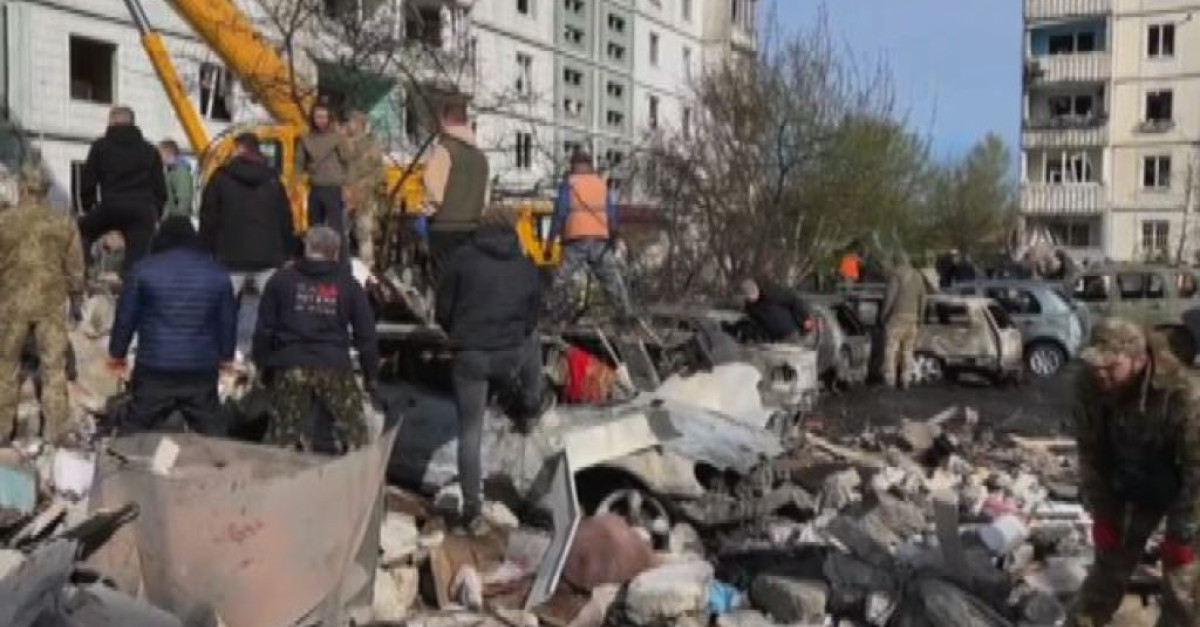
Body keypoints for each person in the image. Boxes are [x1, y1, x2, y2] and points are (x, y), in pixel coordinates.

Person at [1067, 318, 1200, 626]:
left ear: (1138, 360)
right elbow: (1090, 452)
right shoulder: (1089, 385)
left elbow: (1198, 470)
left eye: (1111, 366)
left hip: (1189, 488)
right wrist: (1103, 513)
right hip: (1134, 478)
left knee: (1182, 581)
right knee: (1109, 562)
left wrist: (1182, 535)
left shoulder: (1182, 393)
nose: (1101, 374)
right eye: (1096, 366)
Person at [436, 216, 542, 531]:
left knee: (470, 432)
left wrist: (457, 334)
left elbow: (443, 309)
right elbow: (532, 317)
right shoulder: (526, 265)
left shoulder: (461, 259)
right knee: (534, 340)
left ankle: (472, 509)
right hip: (509, 355)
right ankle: (530, 404)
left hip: (471, 356)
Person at [252, 226, 378, 455]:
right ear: (336, 253)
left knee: (280, 440)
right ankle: (356, 474)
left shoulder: (281, 281)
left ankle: (274, 475)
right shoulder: (348, 285)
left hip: (290, 364)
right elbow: (366, 335)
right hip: (334, 365)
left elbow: (264, 329)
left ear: (306, 248)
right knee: (356, 438)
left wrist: (263, 365)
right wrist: (371, 375)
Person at [108, 217, 236, 436]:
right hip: (200, 369)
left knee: (135, 427)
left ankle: (124, 455)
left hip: (154, 366)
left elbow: (125, 318)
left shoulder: (143, 270)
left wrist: (117, 354)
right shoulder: (217, 273)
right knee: (212, 430)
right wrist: (226, 357)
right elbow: (227, 321)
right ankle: (220, 458)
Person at [0, 164, 85, 444]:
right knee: (54, 368)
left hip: (11, 306)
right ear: (47, 190)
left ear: (22, 186)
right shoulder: (63, 222)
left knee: (5, 366)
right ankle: (55, 431)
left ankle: (2, 429)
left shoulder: (5, 221)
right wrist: (76, 300)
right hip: (50, 306)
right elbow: (75, 268)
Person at [199, 132, 297, 357]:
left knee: (222, 309)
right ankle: (270, 356)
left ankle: (222, 354)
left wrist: (205, 250)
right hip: (269, 255)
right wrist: (289, 252)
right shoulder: (273, 179)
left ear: (239, 149)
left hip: (229, 255)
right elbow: (285, 218)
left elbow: (209, 217)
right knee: (274, 310)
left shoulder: (221, 177)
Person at [78, 106, 167, 276]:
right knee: (137, 261)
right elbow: (160, 189)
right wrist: (155, 212)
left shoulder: (100, 147)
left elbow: (88, 182)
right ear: (132, 123)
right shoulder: (150, 150)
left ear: (112, 121)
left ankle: (84, 269)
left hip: (111, 206)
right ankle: (131, 284)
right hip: (141, 211)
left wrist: (89, 206)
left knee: (82, 232)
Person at [544, 151, 632, 319]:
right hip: (600, 239)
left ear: (574, 165)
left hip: (576, 239)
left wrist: (549, 244)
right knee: (611, 278)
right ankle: (624, 314)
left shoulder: (569, 184)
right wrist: (614, 237)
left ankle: (553, 315)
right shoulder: (600, 184)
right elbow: (611, 213)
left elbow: (560, 215)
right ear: (590, 165)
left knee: (561, 279)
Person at [423, 100, 490, 283]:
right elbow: (485, 202)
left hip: (444, 230)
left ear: (445, 120)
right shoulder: (480, 157)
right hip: (472, 229)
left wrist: (426, 213)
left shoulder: (444, 150)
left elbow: (434, 192)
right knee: (466, 283)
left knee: (445, 284)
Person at [297, 102, 351, 244]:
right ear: (312, 118)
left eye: (323, 117)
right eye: (317, 117)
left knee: (336, 228)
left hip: (333, 187)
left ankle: (339, 257)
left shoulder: (337, 137)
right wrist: (296, 183)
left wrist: (347, 186)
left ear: (328, 118)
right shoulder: (306, 138)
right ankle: (316, 256)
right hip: (315, 187)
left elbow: (347, 159)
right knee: (315, 228)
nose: (320, 120)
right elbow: (299, 164)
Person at [881, 253, 929, 388]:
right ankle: (905, 379)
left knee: (891, 348)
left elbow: (890, 297)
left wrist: (883, 315)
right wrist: (921, 317)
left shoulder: (896, 275)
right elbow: (923, 298)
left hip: (897, 317)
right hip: (913, 318)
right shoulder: (918, 276)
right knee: (908, 350)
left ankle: (890, 379)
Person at [345, 111, 385, 269]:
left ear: (360, 124)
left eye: (351, 122)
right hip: (344, 195)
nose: (348, 125)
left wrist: (366, 189)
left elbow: (378, 173)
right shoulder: (343, 144)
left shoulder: (371, 145)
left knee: (364, 234)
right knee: (341, 233)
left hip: (365, 198)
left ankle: (366, 267)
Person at [739, 279, 812, 343]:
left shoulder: (772, 295)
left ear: (757, 289)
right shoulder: (749, 308)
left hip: (790, 332)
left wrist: (805, 317)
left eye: (753, 294)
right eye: (749, 297)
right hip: (773, 340)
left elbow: (794, 301)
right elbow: (756, 323)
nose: (752, 299)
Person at [158, 140, 194, 219]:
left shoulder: (181, 173)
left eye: (160, 154)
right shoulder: (170, 171)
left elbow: (184, 200)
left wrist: (177, 221)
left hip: (175, 221)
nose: (158, 158)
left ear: (168, 153)